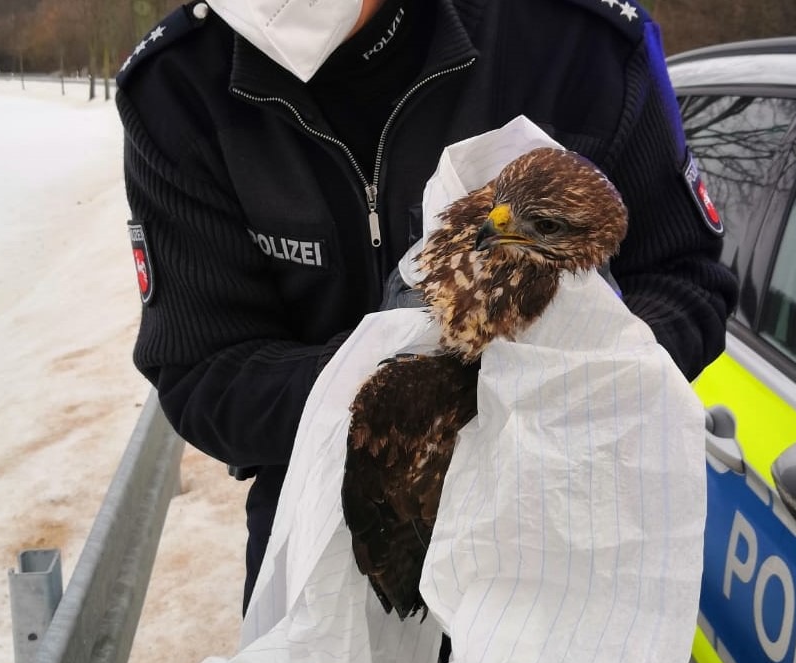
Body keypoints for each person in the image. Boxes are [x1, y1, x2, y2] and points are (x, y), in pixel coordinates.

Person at [115, 0, 738, 615]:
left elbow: (687, 282)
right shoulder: (177, 88)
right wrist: (402, 395)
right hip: (324, 547)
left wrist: (549, 385)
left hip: (561, 539)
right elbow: (204, 371)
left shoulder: (579, 43)